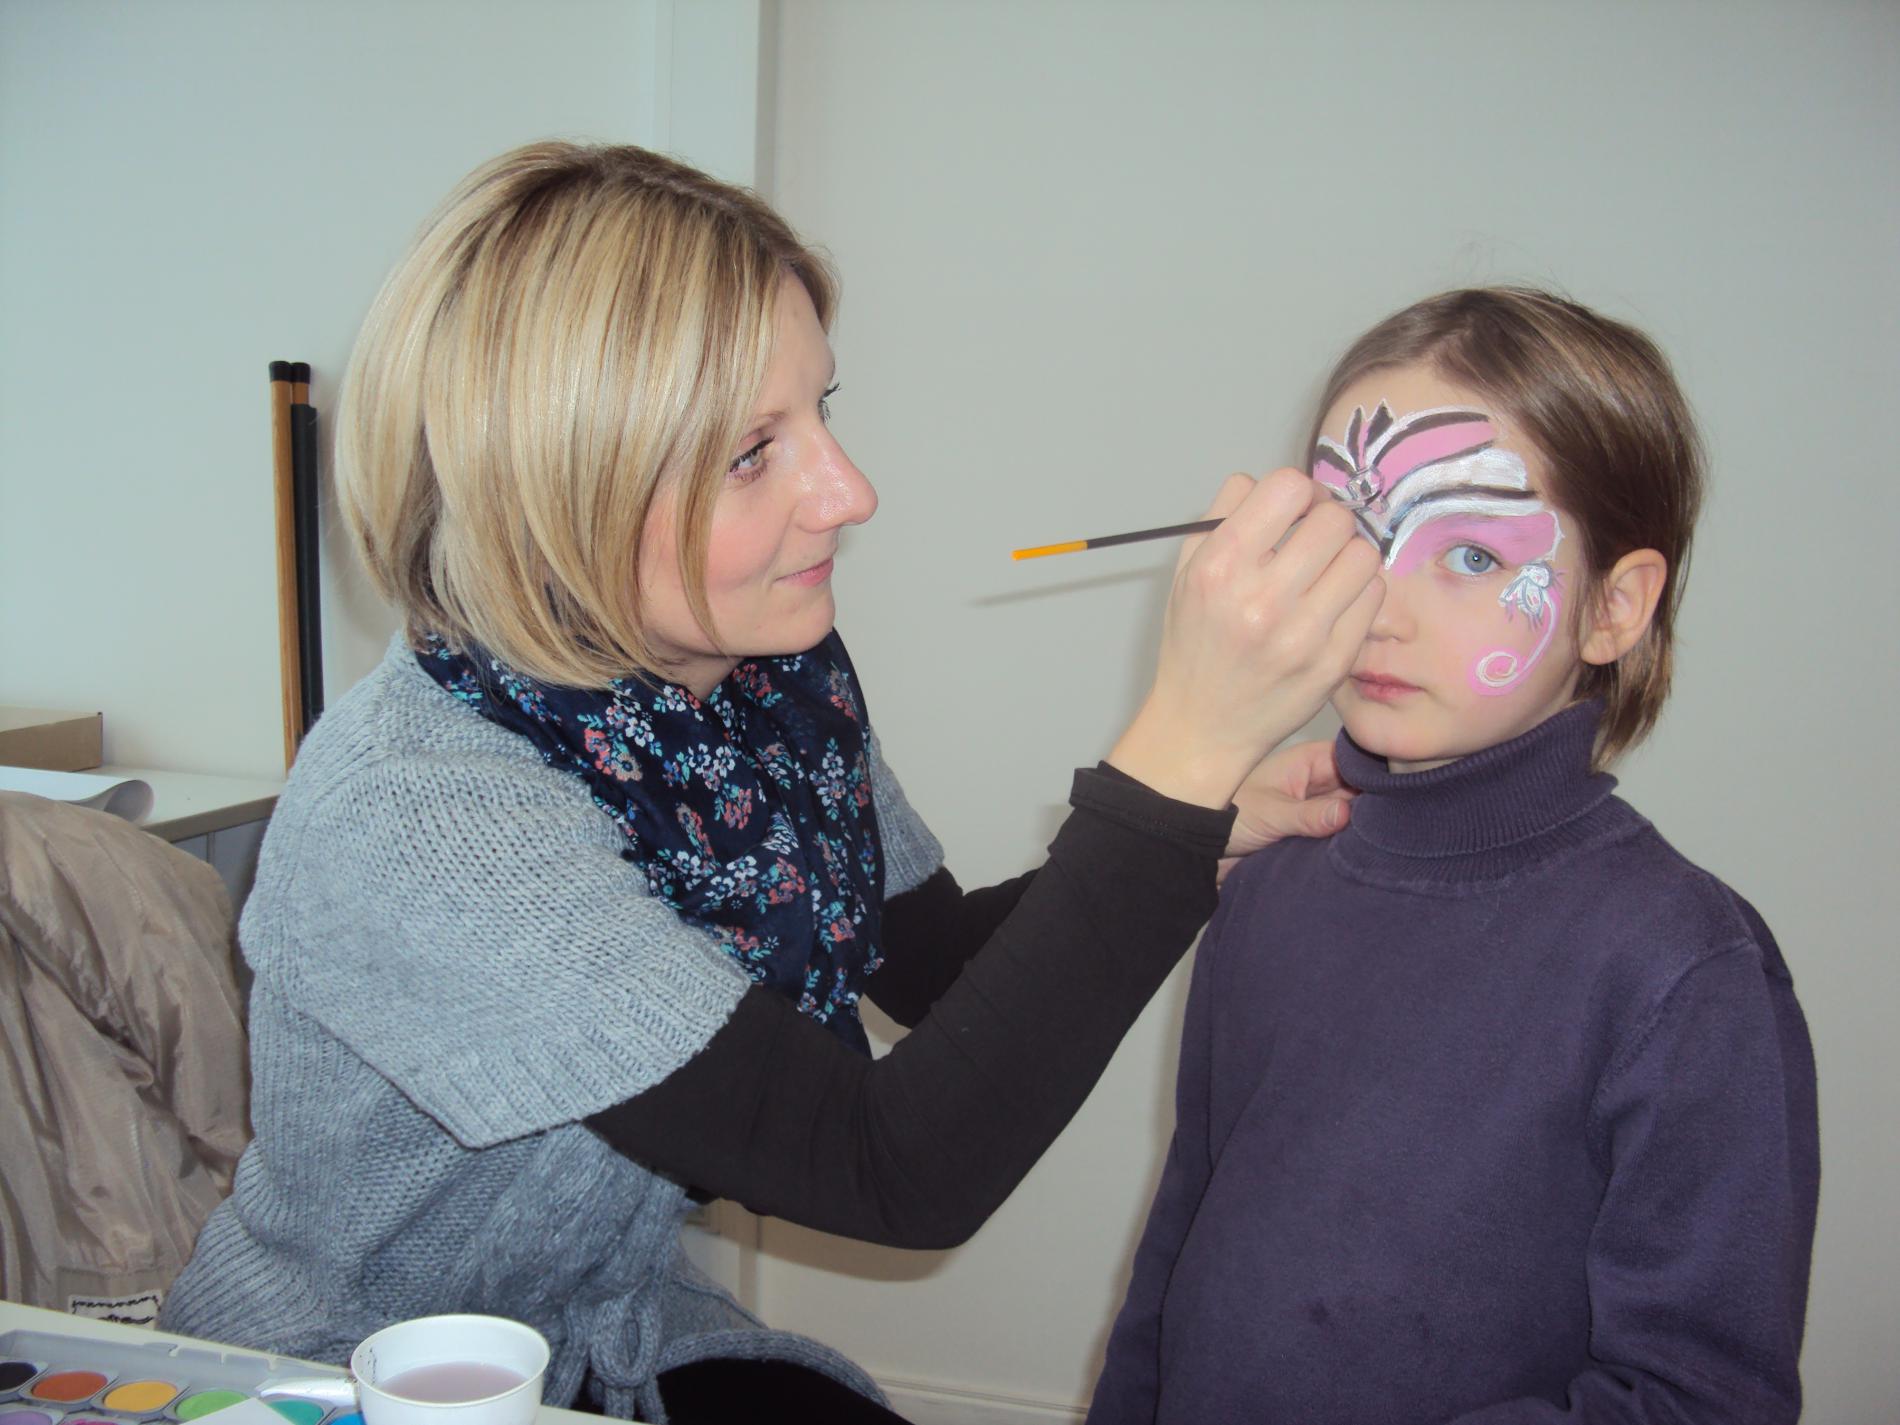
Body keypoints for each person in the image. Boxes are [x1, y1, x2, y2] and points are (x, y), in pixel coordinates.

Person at [158, 142, 1383, 1425]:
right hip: (352, 1378)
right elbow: (891, 1167)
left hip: (601, 1333)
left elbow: (933, 968)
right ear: (557, 493)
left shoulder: (755, 688)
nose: (850, 493)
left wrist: (1200, 832)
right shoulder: (425, 811)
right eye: (752, 452)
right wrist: (1176, 758)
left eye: (822, 410)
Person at [1087, 287, 1820, 1424]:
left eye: (1470, 556)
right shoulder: (1267, 885)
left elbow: (1701, 1397)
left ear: (1613, 607)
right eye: (1353, 538)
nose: (1380, 610)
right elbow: (1177, 1255)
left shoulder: (1683, 969)